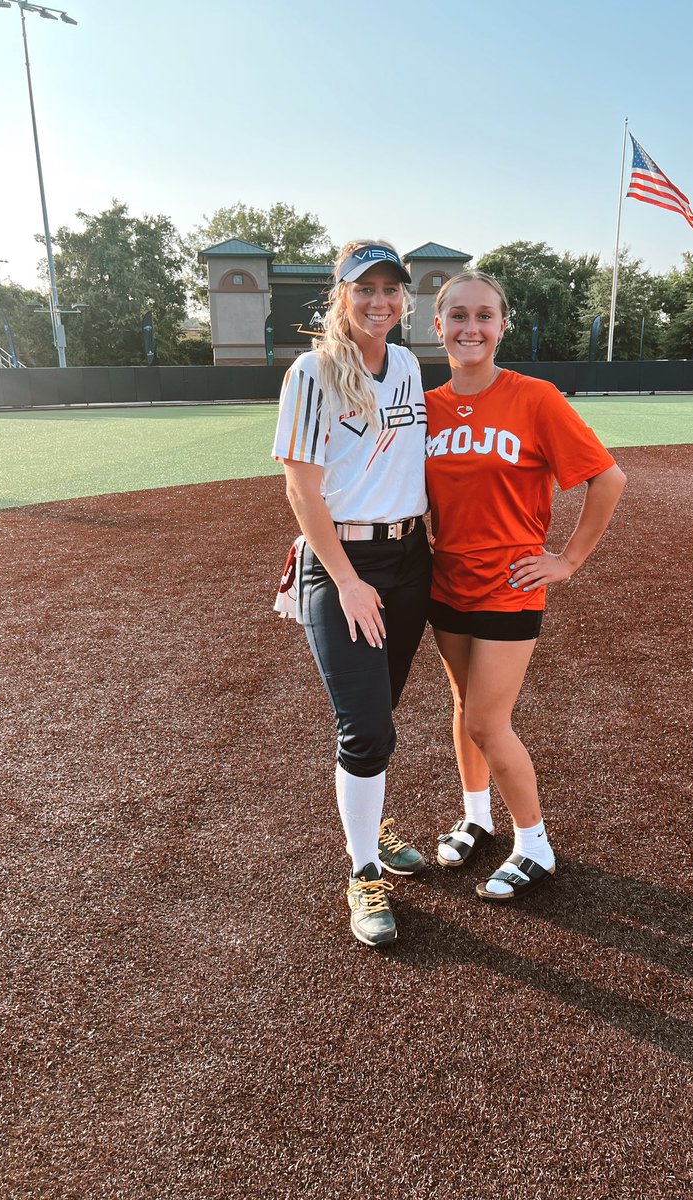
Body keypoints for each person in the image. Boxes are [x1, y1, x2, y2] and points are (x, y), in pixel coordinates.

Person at [424, 270, 627, 900]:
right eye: (458, 316)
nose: (471, 328)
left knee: (488, 719)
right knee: (463, 709)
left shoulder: (534, 398)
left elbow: (608, 478)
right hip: (446, 581)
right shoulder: (423, 408)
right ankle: (477, 817)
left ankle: (534, 843)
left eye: (484, 315)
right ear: (438, 326)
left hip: (510, 582)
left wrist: (567, 560)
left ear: (502, 325)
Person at [273, 240, 431, 947]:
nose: (380, 301)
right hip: (342, 561)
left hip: (408, 558)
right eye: (364, 288)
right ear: (340, 295)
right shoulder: (312, 372)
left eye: (391, 288)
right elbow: (300, 489)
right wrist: (346, 580)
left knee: (381, 714)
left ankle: (372, 822)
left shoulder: (407, 364)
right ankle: (362, 869)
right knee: (364, 727)